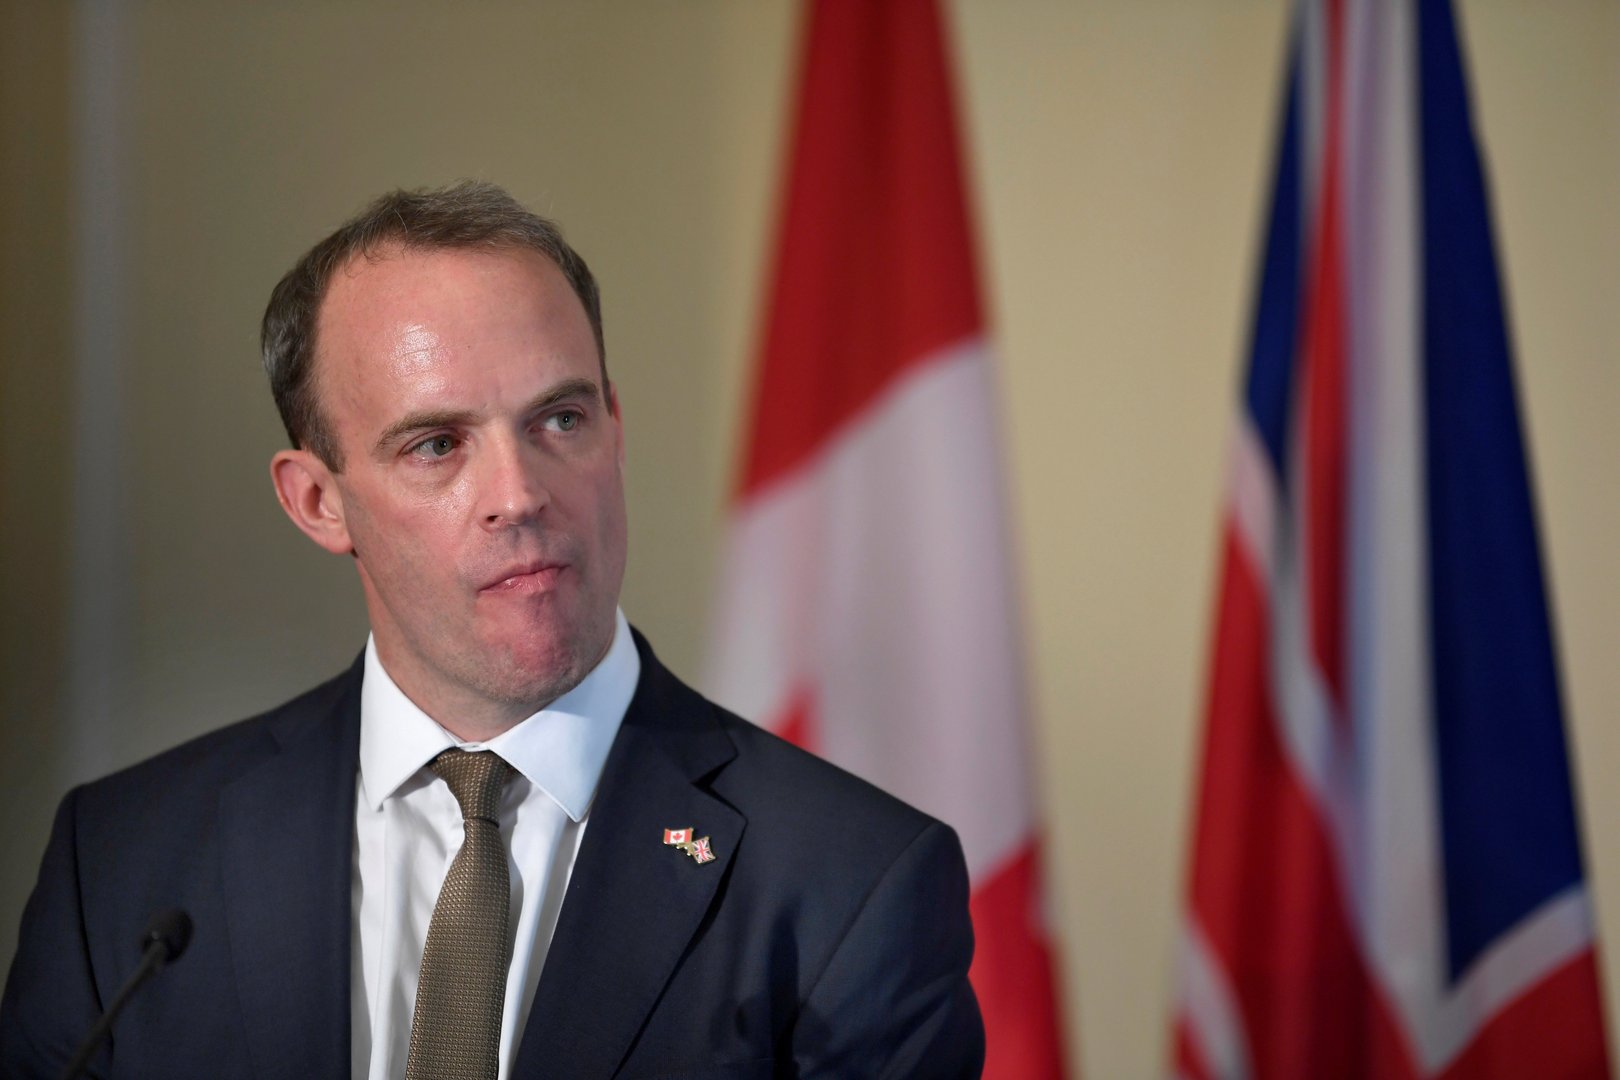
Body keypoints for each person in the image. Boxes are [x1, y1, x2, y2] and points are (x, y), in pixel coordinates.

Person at [0, 180, 983, 1078]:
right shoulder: (124, 865)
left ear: (615, 429)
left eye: (561, 420)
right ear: (317, 502)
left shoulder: (852, 884)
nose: (519, 494)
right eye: (437, 444)